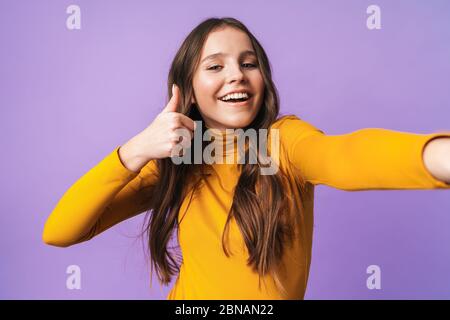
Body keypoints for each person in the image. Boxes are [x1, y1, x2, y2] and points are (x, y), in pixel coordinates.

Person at [42, 17, 450, 300]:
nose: (236, 74)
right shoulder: (175, 163)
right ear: (187, 88)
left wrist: (436, 154)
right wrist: (133, 152)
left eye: (248, 63)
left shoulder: (282, 143)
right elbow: (60, 231)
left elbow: (346, 156)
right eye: (215, 66)